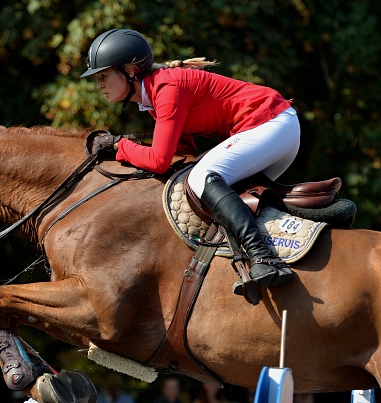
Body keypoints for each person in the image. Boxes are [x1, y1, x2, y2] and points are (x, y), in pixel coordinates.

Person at [82, 28, 298, 294]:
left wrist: (119, 147)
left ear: (129, 71)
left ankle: (264, 257)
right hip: (275, 128)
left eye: (103, 76)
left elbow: (160, 160)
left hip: (269, 123)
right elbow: (182, 154)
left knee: (201, 178)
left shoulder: (167, 88)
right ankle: (308, 222)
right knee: (228, 193)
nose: (99, 84)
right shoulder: (153, 97)